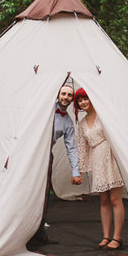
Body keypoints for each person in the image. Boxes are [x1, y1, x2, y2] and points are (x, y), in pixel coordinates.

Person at [74, 88, 125, 250]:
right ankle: (106, 236)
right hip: (97, 159)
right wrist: (78, 170)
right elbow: (82, 147)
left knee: (115, 199)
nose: (83, 102)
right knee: (103, 200)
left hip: (110, 156)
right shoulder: (82, 124)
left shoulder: (105, 115)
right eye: (80, 100)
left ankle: (117, 237)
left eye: (85, 98)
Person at [32, 84, 83, 244]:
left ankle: (38, 225)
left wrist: (76, 171)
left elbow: (72, 147)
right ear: (58, 94)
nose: (65, 97)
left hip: (47, 155)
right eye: (63, 94)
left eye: (69, 95)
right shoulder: (43, 109)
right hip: (31, 153)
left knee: (44, 190)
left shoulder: (67, 122)